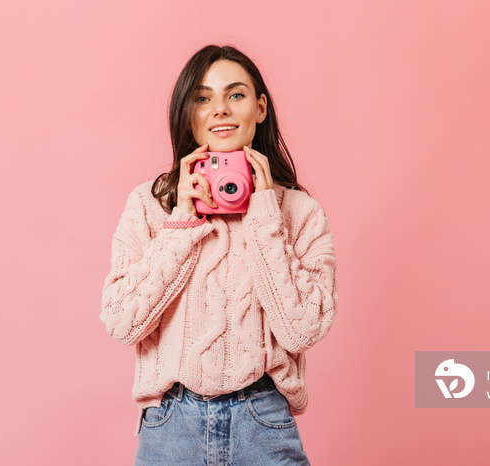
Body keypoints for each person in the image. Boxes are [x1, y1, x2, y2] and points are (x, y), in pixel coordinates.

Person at [100, 44, 338, 465]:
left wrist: (265, 213)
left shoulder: (300, 212)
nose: (220, 110)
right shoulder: (149, 205)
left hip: (262, 421)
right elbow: (121, 322)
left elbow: (302, 331)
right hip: (171, 425)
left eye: (236, 95)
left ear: (260, 107)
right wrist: (181, 224)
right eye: (203, 98)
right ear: (187, 113)